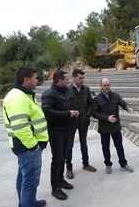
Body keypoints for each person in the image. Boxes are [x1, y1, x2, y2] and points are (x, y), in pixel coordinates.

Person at [3, 67, 48, 207]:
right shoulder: (17, 97)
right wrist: (33, 146)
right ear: (26, 80)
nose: (37, 80)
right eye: (35, 78)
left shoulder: (23, 95)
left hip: (27, 147)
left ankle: (27, 203)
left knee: (23, 176)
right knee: (30, 181)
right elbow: (20, 127)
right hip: (28, 147)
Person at [41, 70, 79, 201]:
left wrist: (73, 113)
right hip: (56, 131)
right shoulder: (49, 94)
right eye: (66, 79)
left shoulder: (66, 92)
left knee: (63, 156)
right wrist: (68, 114)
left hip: (66, 129)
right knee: (57, 158)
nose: (68, 81)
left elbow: (67, 107)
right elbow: (48, 112)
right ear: (59, 80)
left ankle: (61, 179)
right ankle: (55, 187)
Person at [91, 77, 134, 174]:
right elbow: (94, 113)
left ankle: (123, 164)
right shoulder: (97, 99)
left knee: (119, 146)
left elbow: (122, 102)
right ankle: (108, 164)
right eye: (104, 85)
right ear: (101, 86)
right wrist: (107, 118)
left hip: (115, 126)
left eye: (108, 85)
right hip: (104, 128)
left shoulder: (115, 96)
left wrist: (128, 107)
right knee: (105, 147)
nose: (107, 87)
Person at [66, 69, 96, 179]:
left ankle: (86, 164)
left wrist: (88, 115)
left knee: (84, 143)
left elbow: (91, 103)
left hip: (84, 121)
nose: (82, 80)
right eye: (80, 78)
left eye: (83, 78)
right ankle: (69, 168)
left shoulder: (86, 89)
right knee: (69, 145)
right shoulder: (67, 90)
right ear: (74, 78)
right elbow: (65, 105)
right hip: (72, 122)